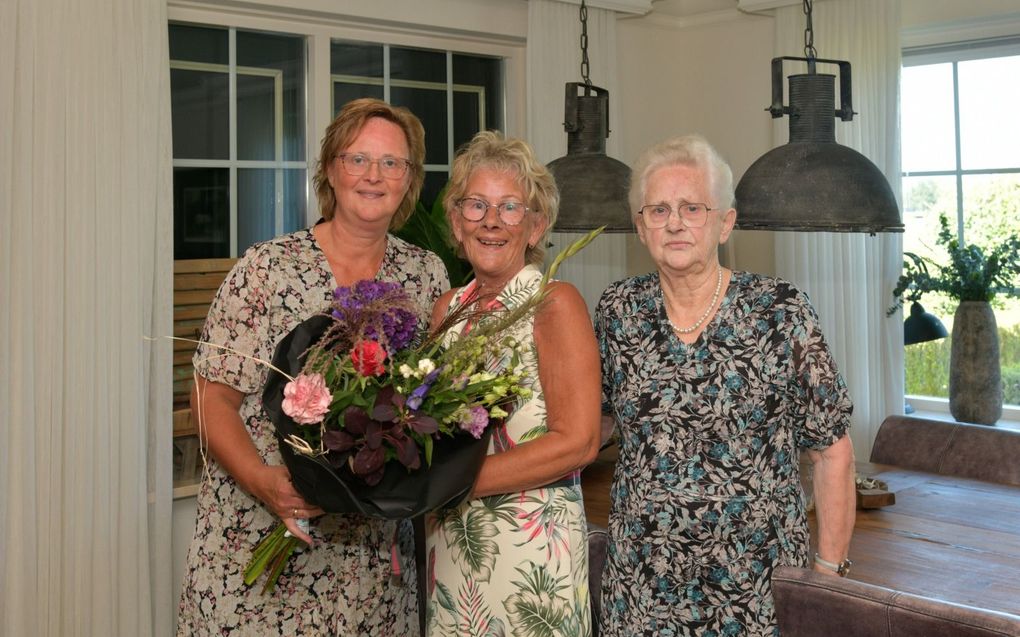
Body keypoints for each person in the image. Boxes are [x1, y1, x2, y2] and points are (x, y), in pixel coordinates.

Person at [177, 98, 449, 636]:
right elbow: (209, 400)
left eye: (392, 163)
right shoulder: (267, 268)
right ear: (330, 169)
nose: (374, 176)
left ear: (410, 180)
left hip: (372, 564)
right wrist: (264, 481)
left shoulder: (424, 275)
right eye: (358, 159)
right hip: (259, 536)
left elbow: (429, 403)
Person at [594, 135, 856, 636]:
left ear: (724, 223)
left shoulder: (781, 310)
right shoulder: (617, 310)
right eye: (658, 210)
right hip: (641, 588)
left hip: (757, 590)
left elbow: (831, 450)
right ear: (640, 227)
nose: (674, 222)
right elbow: (597, 421)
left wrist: (827, 579)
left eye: (692, 208)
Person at [423, 131, 602, 636]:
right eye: (476, 205)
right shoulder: (447, 311)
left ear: (536, 225)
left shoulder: (554, 302)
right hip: (453, 550)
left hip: (532, 558)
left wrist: (449, 483)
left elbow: (579, 442)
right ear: (456, 223)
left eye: (510, 207)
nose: (492, 222)